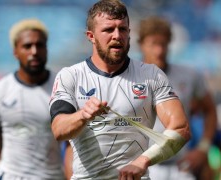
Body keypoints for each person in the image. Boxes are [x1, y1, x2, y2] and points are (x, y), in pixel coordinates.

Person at [49, 0, 191, 179]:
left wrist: (142, 162)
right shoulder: (70, 76)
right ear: (91, 36)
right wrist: (83, 115)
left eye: (122, 29)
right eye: (108, 30)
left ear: (129, 33)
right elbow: (58, 130)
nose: (117, 35)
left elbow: (181, 128)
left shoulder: (152, 75)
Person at [0, 18, 65, 180]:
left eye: (39, 45)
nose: (34, 51)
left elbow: (73, 146)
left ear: (47, 49)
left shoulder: (63, 88)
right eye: (27, 46)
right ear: (15, 51)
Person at [138, 16, 218, 180]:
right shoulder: (129, 78)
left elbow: (210, 110)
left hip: (180, 166)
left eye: (163, 44)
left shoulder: (189, 75)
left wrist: (203, 148)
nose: (159, 50)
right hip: (145, 167)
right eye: (153, 44)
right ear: (141, 45)